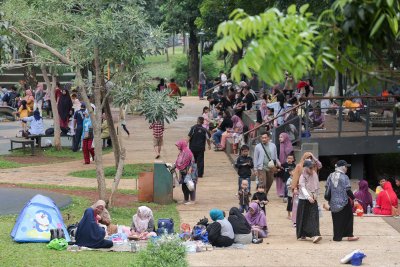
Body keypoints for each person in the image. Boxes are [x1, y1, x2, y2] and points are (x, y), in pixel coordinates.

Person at [326, 160, 359, 241]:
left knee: (336, 219)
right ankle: (350, 235)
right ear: (342, 167)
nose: (347, 168)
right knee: (349, 217)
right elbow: (347, 190)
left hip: (333, 202)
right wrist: (354, 198)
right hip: (344, 201)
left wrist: (329, 199)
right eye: (346, 166)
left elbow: (327, 188)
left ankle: (337, 237)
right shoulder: (344, 177)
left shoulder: (330, 175)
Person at [291, 152, 322, 226]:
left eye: (310, 158)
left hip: (310, 189)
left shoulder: (312, 166)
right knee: (297, 205)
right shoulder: (299, 166)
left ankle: (307, 221)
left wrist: (314, 157)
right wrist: (294, 187)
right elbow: (295, 177)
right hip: (300, 188)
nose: (309, 159)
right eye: (307, 157)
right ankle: (295, 221)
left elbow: (320, 165)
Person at [296, 160, 322, 243]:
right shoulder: (302, 176)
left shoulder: (314, 174)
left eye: (313, 167)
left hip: (313, 198)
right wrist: (308, 197)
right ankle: (302, 234)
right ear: (305, 168)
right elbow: (302, 187)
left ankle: (315, 235)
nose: (312, 169)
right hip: (303, 199)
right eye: (310, 168)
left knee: (313, 217)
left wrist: (315, 195)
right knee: (303, 217)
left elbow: (317, 185)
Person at [175, 139, 196, 204]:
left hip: (190, 171)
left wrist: (190, 168)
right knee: (184, 186)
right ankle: (185, 199)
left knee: (190, 185)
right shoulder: (181, 152)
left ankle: (192, 200)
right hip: (183, 171)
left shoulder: (188, 152)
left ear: (182, 145)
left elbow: (193, 160)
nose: (178, 147)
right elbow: (178, 161)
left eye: (178, 146)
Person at [277, 133, 293, 197]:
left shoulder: (289, 145)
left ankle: (285, 191)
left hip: (287, 164)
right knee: (279, 177)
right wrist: (278, 163)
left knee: (287, 177)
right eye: (279, 137)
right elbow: (276, 155)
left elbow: (292, 155)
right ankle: (280, 191)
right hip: (280, 164)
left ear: (285, 137)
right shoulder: (278, 146)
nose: (280, 138)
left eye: (281, 137)